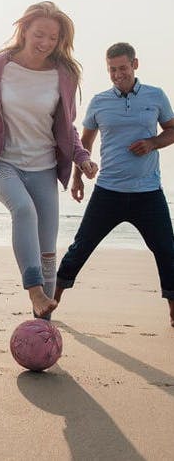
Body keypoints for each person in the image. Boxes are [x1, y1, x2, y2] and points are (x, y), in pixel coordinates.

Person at [0, 1, 98, 319]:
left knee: (48, 253)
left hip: (44, 169)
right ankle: (35, 291)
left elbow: (67, 128)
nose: (46, 43)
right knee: (23, 210)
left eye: (53, 38)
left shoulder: (63, 75)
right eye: (39, 34)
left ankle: (44, 322)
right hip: (2, 163)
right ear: (23, 31)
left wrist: (82, 158)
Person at [55, 42, 174, 327]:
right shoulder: (99, 102)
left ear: (135, 64)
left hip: (148, 193)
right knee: (80, 247)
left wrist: (152, 143)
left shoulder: (155, 96)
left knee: (168, 252)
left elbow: (171, 131)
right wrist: (77, 177)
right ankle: (50, 301)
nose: (117, 74)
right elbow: (84, 144)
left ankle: (173, 312)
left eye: (122, 68)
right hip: (108, 192)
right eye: (112, 69)